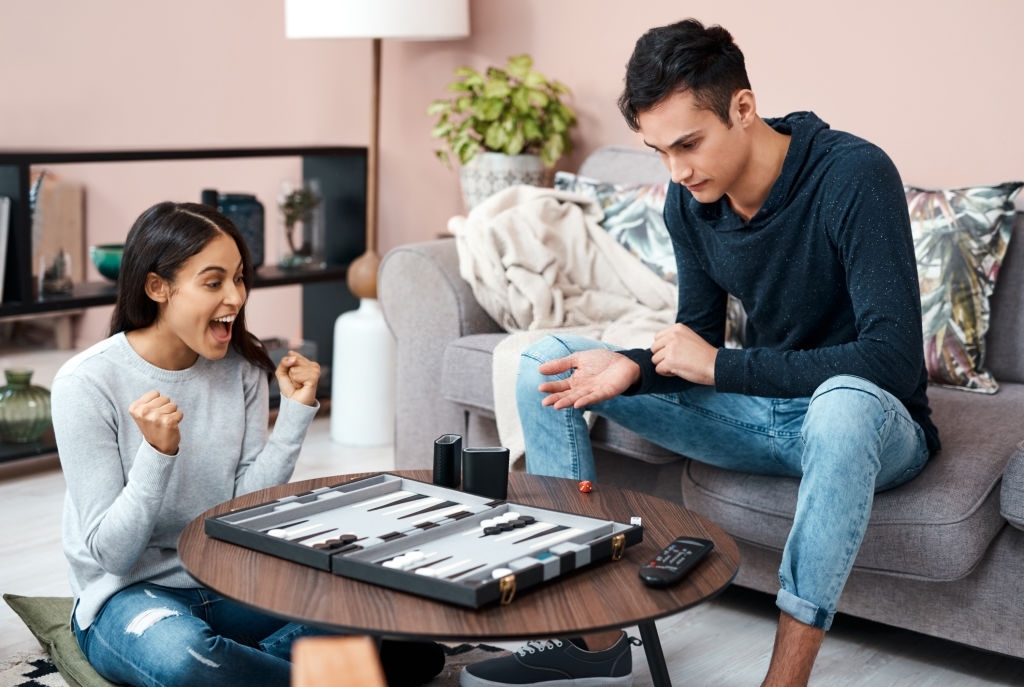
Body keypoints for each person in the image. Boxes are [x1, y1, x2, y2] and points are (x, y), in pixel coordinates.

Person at [461, 18, 939, 687]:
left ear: (743, 108)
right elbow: (696, 336)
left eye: (688, 144)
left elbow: (891, 359)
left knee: (841, 404)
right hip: (760, 412)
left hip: (870, 425)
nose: (677, 171)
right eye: (659, 151)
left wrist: (719, 367)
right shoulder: (690, 205)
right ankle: (594, 638)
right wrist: (634, 365)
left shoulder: (853, 175)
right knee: (546, 361)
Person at [52, 201, 444, 687]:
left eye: (239, 278)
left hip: (227, 579)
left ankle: (252, 668)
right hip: (129, 596)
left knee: (359, 592)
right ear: (157, 287)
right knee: (186, 660)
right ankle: (337, 670)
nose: (235, 297)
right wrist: (157, 456)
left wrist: (295, 413)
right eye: (213, 282)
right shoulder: (85, 384)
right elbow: (112, 556)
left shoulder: (242, 368)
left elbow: (243, 509)